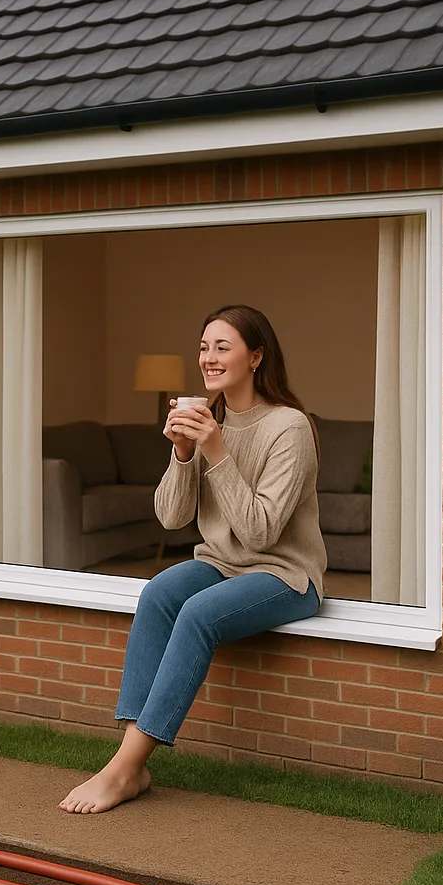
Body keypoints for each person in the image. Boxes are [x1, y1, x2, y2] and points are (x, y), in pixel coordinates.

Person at [59, 304, 327, 814]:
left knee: (198, 613)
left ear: (256, 357)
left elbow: (261, 532)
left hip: (285, 573)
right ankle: (132, 764)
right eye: (204, 347)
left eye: (223, 347)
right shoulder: (211, 420)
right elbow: (171, 517)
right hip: (222, 563)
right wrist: (183, 452)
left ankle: (123, 768)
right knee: (159, 593)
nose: (209, 357)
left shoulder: (289, 427)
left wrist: (217, 450)